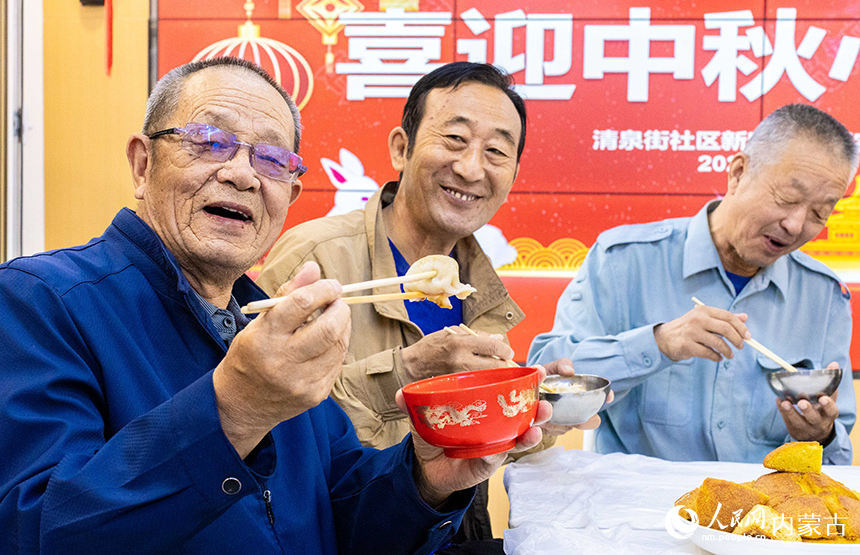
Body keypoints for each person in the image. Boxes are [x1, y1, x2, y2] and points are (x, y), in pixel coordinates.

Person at [0, 57, 554, 555]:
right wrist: (234, 409)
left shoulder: (271, 317)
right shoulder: (41, 302)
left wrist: (426, 478)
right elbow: (36, 531)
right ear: (143, 165)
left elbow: (341, 508)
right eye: (208, 140)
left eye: (270, 158)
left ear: (288, 196)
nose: (241, 173)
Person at [256, 62, 598, 551]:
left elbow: (465, 444)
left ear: (513, 173)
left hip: (443, 532)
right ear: (401, 146)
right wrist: (410, 369)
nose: (472, 168)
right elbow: (272, 426)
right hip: (336, 535)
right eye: (455, 140)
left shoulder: (477, 284)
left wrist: (533, 411)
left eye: (496, 151)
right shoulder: (317, 257)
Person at [530, 103, 858, 465]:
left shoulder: (824, 297)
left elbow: (837, 457)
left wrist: (820, 436)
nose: (796, 225)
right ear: (737, 173)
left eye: (819, 213)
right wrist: (658, 344)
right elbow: (546, 381)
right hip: (639, 511)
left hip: (759, 514)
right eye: (788, 199)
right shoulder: (624, 260)